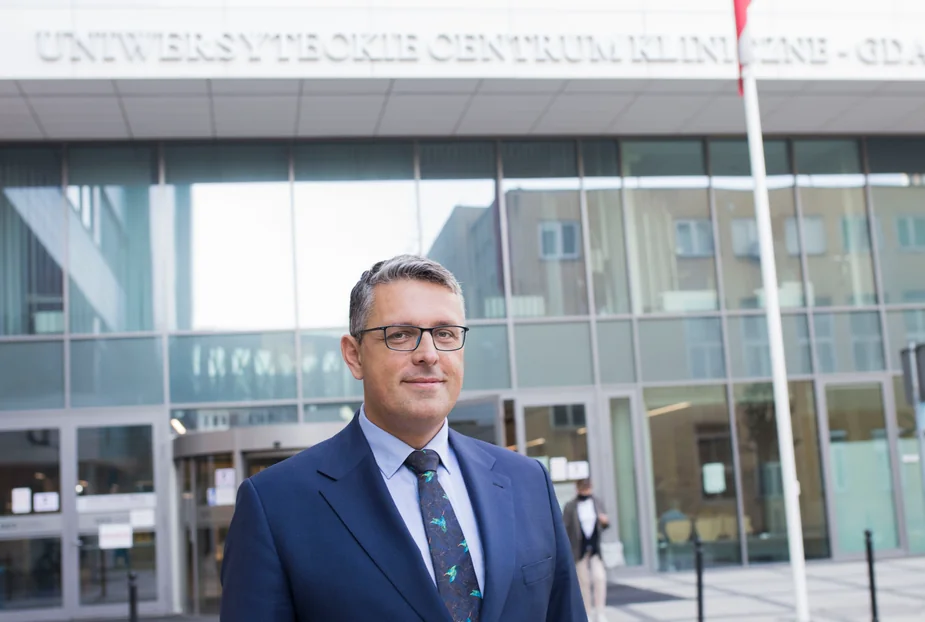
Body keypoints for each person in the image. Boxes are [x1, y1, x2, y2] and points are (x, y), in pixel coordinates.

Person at [219, 255, 587, 622]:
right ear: (354, 355)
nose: (428, 355)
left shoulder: (528, 482)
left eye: (445, 333)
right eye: (400, 335)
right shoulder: (275, 505)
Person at [562, 479, 610, 622]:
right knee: (583, 582)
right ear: (577, 489)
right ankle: (586, 612)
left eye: (588, 488)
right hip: (579, 549)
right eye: (583, 488)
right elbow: (565, 528)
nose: (586, 491)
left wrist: (604, 522)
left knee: (599, 578)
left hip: (595, 548)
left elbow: (605, 524)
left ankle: (600, 611)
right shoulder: (570, 506)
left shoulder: (597, 502)